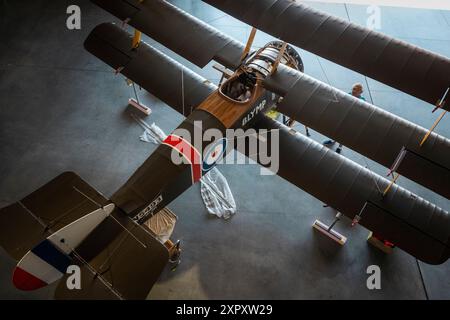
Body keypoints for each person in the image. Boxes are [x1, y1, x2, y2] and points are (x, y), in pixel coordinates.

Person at [322, 83, 366, 154]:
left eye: (355, 90)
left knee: (343, 134)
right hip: (343, 116)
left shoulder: (362, 100)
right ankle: (333, 140)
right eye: (353, 89)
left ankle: (340, 147)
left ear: (360, 92)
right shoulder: (348, 94)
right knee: (336, 129)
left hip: (350, 120)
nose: (353, 91)